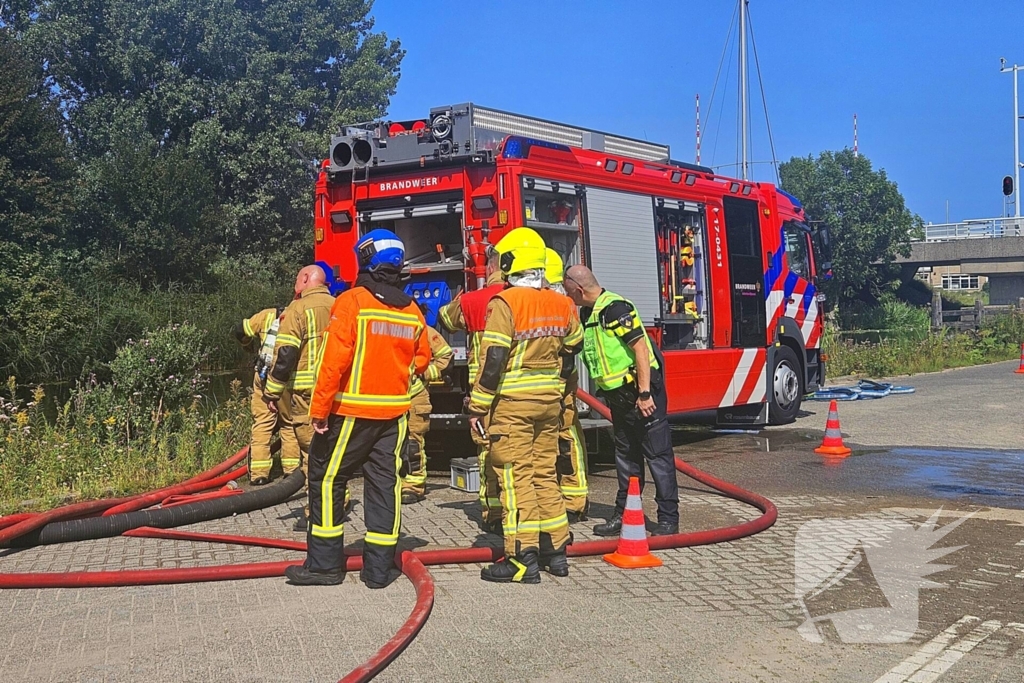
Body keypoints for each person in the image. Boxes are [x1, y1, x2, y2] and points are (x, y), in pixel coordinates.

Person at [285, 229, 430, 588]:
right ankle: (379, 571)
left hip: (350, 413)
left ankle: (324, 567)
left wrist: (319, 410)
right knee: (384, 485)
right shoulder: (412, 311)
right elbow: (424, 361)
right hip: (394, 415)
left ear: (365, 259)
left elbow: (333, 362)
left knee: (326, 479)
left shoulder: (351, 302)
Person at [468, 227, 583, 584]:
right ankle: (556, 552)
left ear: (509, 262)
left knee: (515, 480)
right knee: (545, 475)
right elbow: (574, 347)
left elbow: (494, 359)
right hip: (549, 404)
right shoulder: (562, 303)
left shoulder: (505, 303)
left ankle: (521, 559)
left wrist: (477, 407)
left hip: (512, 405)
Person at [562, 265, 680, 537]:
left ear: (578, 288)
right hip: (618, 398)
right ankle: (625, 514)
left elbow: (640, 348)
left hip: (640, 395)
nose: (566, 294)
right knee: (626, 458)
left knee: (658, 458)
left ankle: (668, 519)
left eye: (567, 289)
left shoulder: (615, 309)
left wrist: (645, 393)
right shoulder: (587, 312)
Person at [437, 246, 506, 532]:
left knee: (488, 452)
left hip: (483, 390)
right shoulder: (527, 299)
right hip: (521, 390)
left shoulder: (473, 301)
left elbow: (445, 318)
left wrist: (458, 299)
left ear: (489, 269)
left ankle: (493, 512)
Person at [263, 265, 336, 530]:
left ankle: (316, 514)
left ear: (306, 279)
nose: (295, 284)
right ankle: (337, 497)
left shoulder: (297, 309)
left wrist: (272, 391)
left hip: (309, 396)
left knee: (312, 453)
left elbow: (285, 356)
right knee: (331, 449)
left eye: (297, 279)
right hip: (337, 394)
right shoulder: (341, 305)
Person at [543, 249, 589, 521]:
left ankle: (575, 500)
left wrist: (560, 386)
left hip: (559, 383)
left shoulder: (561, 304)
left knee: (566, 438)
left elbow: (571, 350)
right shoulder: (552, 302)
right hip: (547, 385)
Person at [233, 306, 298, 485]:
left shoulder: (266, 315)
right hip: (285, 378)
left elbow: (240, 329)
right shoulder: (299, 314)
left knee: (262, 423)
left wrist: (248, 345)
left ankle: (259, 474)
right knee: (289, 423)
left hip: (263, 374)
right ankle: (291, 472)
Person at [401, 317, 453, 504]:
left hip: (415, 396)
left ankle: (413, 486)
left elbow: (446, 356)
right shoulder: (384, 328)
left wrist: (424, 373)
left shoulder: (423, 330)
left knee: (412, 443)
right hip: (389, 397)